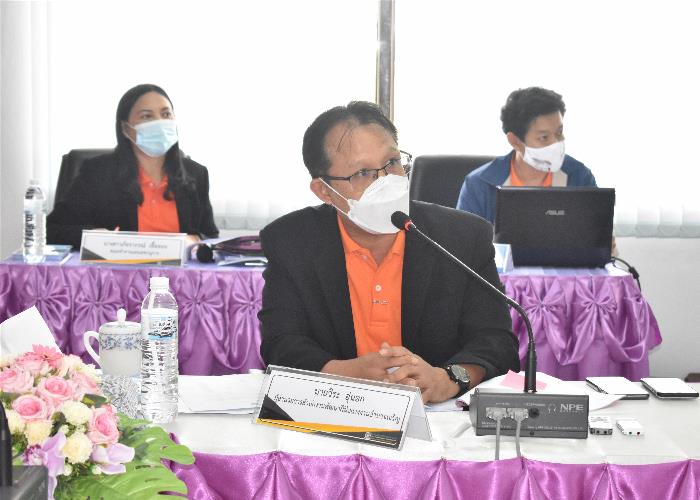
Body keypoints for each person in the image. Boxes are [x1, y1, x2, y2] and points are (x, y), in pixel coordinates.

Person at [259, 101, 519, 404]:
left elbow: (496, 341)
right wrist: (344, 372)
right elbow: (281, 342)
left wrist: (448, 379)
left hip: (438, 417)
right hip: (337, 410)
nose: (386, 181)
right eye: (363, 172)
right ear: (325, 191)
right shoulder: (291, 241)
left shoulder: (462, 237)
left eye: (392, 162)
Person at [47, 83, 218, 248]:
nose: (159, 122)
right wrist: (94, 237)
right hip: (118, 268)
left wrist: (196, 239)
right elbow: (52, 229)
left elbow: (209, 235)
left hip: (179, 269)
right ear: (125, 127)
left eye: (166, 114)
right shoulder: (97, 173)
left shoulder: (196, 173)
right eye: (146, 116)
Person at [456, 87, 596, 224]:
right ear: (515, 141)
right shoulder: (479, 185)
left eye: (559, 132)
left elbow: (596, 234)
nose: (556, 143)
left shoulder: (580, 177)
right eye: (544, 137)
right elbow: (464, 238)